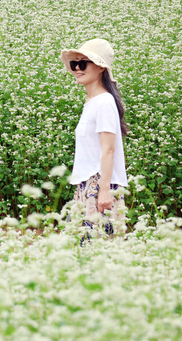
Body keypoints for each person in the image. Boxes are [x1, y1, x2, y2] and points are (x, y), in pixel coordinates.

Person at [60, 38, 130, 237]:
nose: (77, 69)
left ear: (100, 68)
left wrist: (104, 191)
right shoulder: (92, 102)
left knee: (97, 251)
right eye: (74, 64)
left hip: (99, 186)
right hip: (85, 185)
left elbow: (109, 149)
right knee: (78, 250)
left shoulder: (104, 102)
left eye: (83, 63)